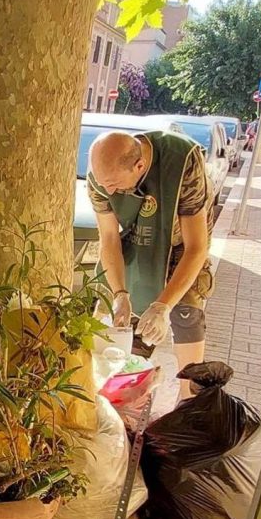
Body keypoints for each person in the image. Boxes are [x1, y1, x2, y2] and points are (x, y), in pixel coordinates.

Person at [88, 129, 214, 399]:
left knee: (186, 313)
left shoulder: (183, 163)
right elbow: (109, 238)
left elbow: (197, 247)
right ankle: (130, 396)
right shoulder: (100, 182)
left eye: (113, 184)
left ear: (140, 166)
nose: (108, 190)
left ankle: (187, 399)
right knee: (131, 325)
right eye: (103, 183)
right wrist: (120, 293)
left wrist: (162, 306)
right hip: (139, 238)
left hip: (182, 243)